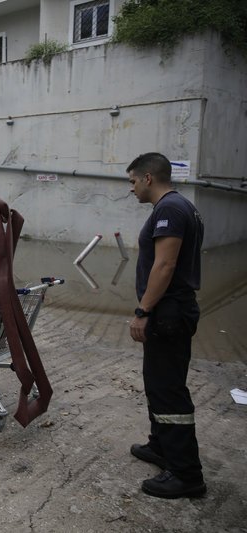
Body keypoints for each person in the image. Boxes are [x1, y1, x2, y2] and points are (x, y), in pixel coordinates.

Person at [127, 152, 206, 499]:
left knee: (168, 389)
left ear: (148, 178)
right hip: (171, 310)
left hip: (168, 312)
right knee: (158, 383)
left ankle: (186, 474)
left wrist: (143, 311)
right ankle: (161, 446)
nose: (131, 189)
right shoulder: (180, 207)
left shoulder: (170, 210)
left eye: (132, 181)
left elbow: (165, 265)